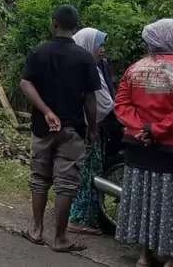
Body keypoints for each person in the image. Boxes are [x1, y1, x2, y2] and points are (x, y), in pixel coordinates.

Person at [114, 19, 173, 266]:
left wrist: (141, 129)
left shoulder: (135, 68)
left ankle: (145, 256)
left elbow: (122, 104)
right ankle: (172, 260)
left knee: (146, 201)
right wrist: (158, 129)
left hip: (140, 146)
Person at [19, 5, 100, 253]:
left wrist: (45, 110)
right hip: (72, 129)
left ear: (54, 23)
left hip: (42, 128)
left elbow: (25, 83)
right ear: (75, 26)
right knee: (66, 183)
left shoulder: (39, 51)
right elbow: (90, 98)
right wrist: (92, 127)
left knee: (40, 178)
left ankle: (36, 230)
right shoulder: (85, 57)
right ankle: (60, 238)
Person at [68, 28, 116, 236]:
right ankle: (77, 218)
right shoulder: (87, 68)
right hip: (88, 128)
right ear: (88, 45)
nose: (102, 51)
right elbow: (103, 103)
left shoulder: (96, 67)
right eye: (99, 46)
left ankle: (77, 214)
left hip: (86, 126)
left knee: (84, 171)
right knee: (88, 172)